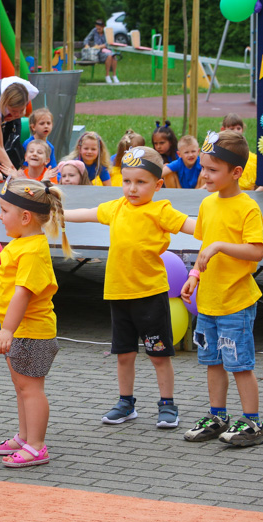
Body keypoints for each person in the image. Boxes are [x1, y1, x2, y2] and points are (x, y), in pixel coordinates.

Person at [64, 146, 195, 427]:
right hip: (119, 293)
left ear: (158, 185)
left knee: (159, 355)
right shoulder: (117, 207)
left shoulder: (161, 210)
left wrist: (220, 226)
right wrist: (59, 213)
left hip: (150, 295)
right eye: (126, 181)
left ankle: (167, 405)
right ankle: (126, 403)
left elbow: (189, 225)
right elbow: (87, 213)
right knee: (124, 355)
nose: (132, 188)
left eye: (140, 182)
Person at [0, 178, 72, 467]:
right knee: (21, 386)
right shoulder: (19, 244)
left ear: (25, 217)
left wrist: (6, 329)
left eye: (4, 211)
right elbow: (5, 281)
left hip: (32, 333)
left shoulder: (33, 251)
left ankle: (37, 446)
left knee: (31, 389)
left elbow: (22, 293)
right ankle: (26, 437)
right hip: (22, 333)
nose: (0, 216)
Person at [180, 131, 263, 446]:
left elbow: (256, 251)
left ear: (236, 172)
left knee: (239, 364)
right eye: (203, 168)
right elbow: (205, 248)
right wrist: (194, 275)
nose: (204, 175)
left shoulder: (247, 208)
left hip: (236, 302)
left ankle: (252, 423)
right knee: (212, 362)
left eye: (212, 170)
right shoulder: (207, 203)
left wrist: (219, 246)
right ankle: (218, 416)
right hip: (209, 301)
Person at [221, 114, 262, 192]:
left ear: (242, 130)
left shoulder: (253, 160)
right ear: (223, 129)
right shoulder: (220, 156)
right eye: (232, 129)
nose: (236, 131)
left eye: (238, 128)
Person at [84, 18, 119, 84]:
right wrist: (86, 45)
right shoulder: (94, 31)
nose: (98, 30)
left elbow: (109, 42)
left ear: (103, 27)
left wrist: (100, 46)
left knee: (114, 56)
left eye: (99, 29)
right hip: (98, 52)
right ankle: (107, 75)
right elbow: (86, 39)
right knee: (109, 56)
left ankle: (114, 75)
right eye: (97, 28)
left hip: (107, 50)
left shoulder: (107, 32)